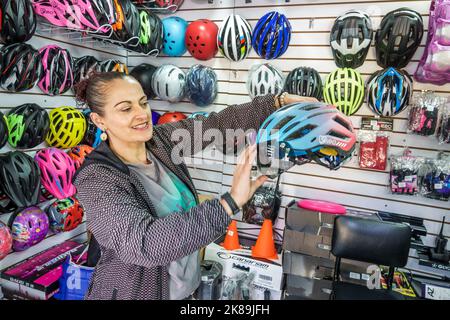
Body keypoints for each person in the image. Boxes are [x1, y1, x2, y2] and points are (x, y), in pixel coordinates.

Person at [73, 71, 317, 300]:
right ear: (99, 120)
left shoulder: (160, 142)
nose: (141, 114)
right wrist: (229, 203)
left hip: (184, 291)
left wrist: (277, 103)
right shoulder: (97, 178)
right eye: (126, 108)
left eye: (143, 103)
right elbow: (144, 243)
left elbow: (217, 125)